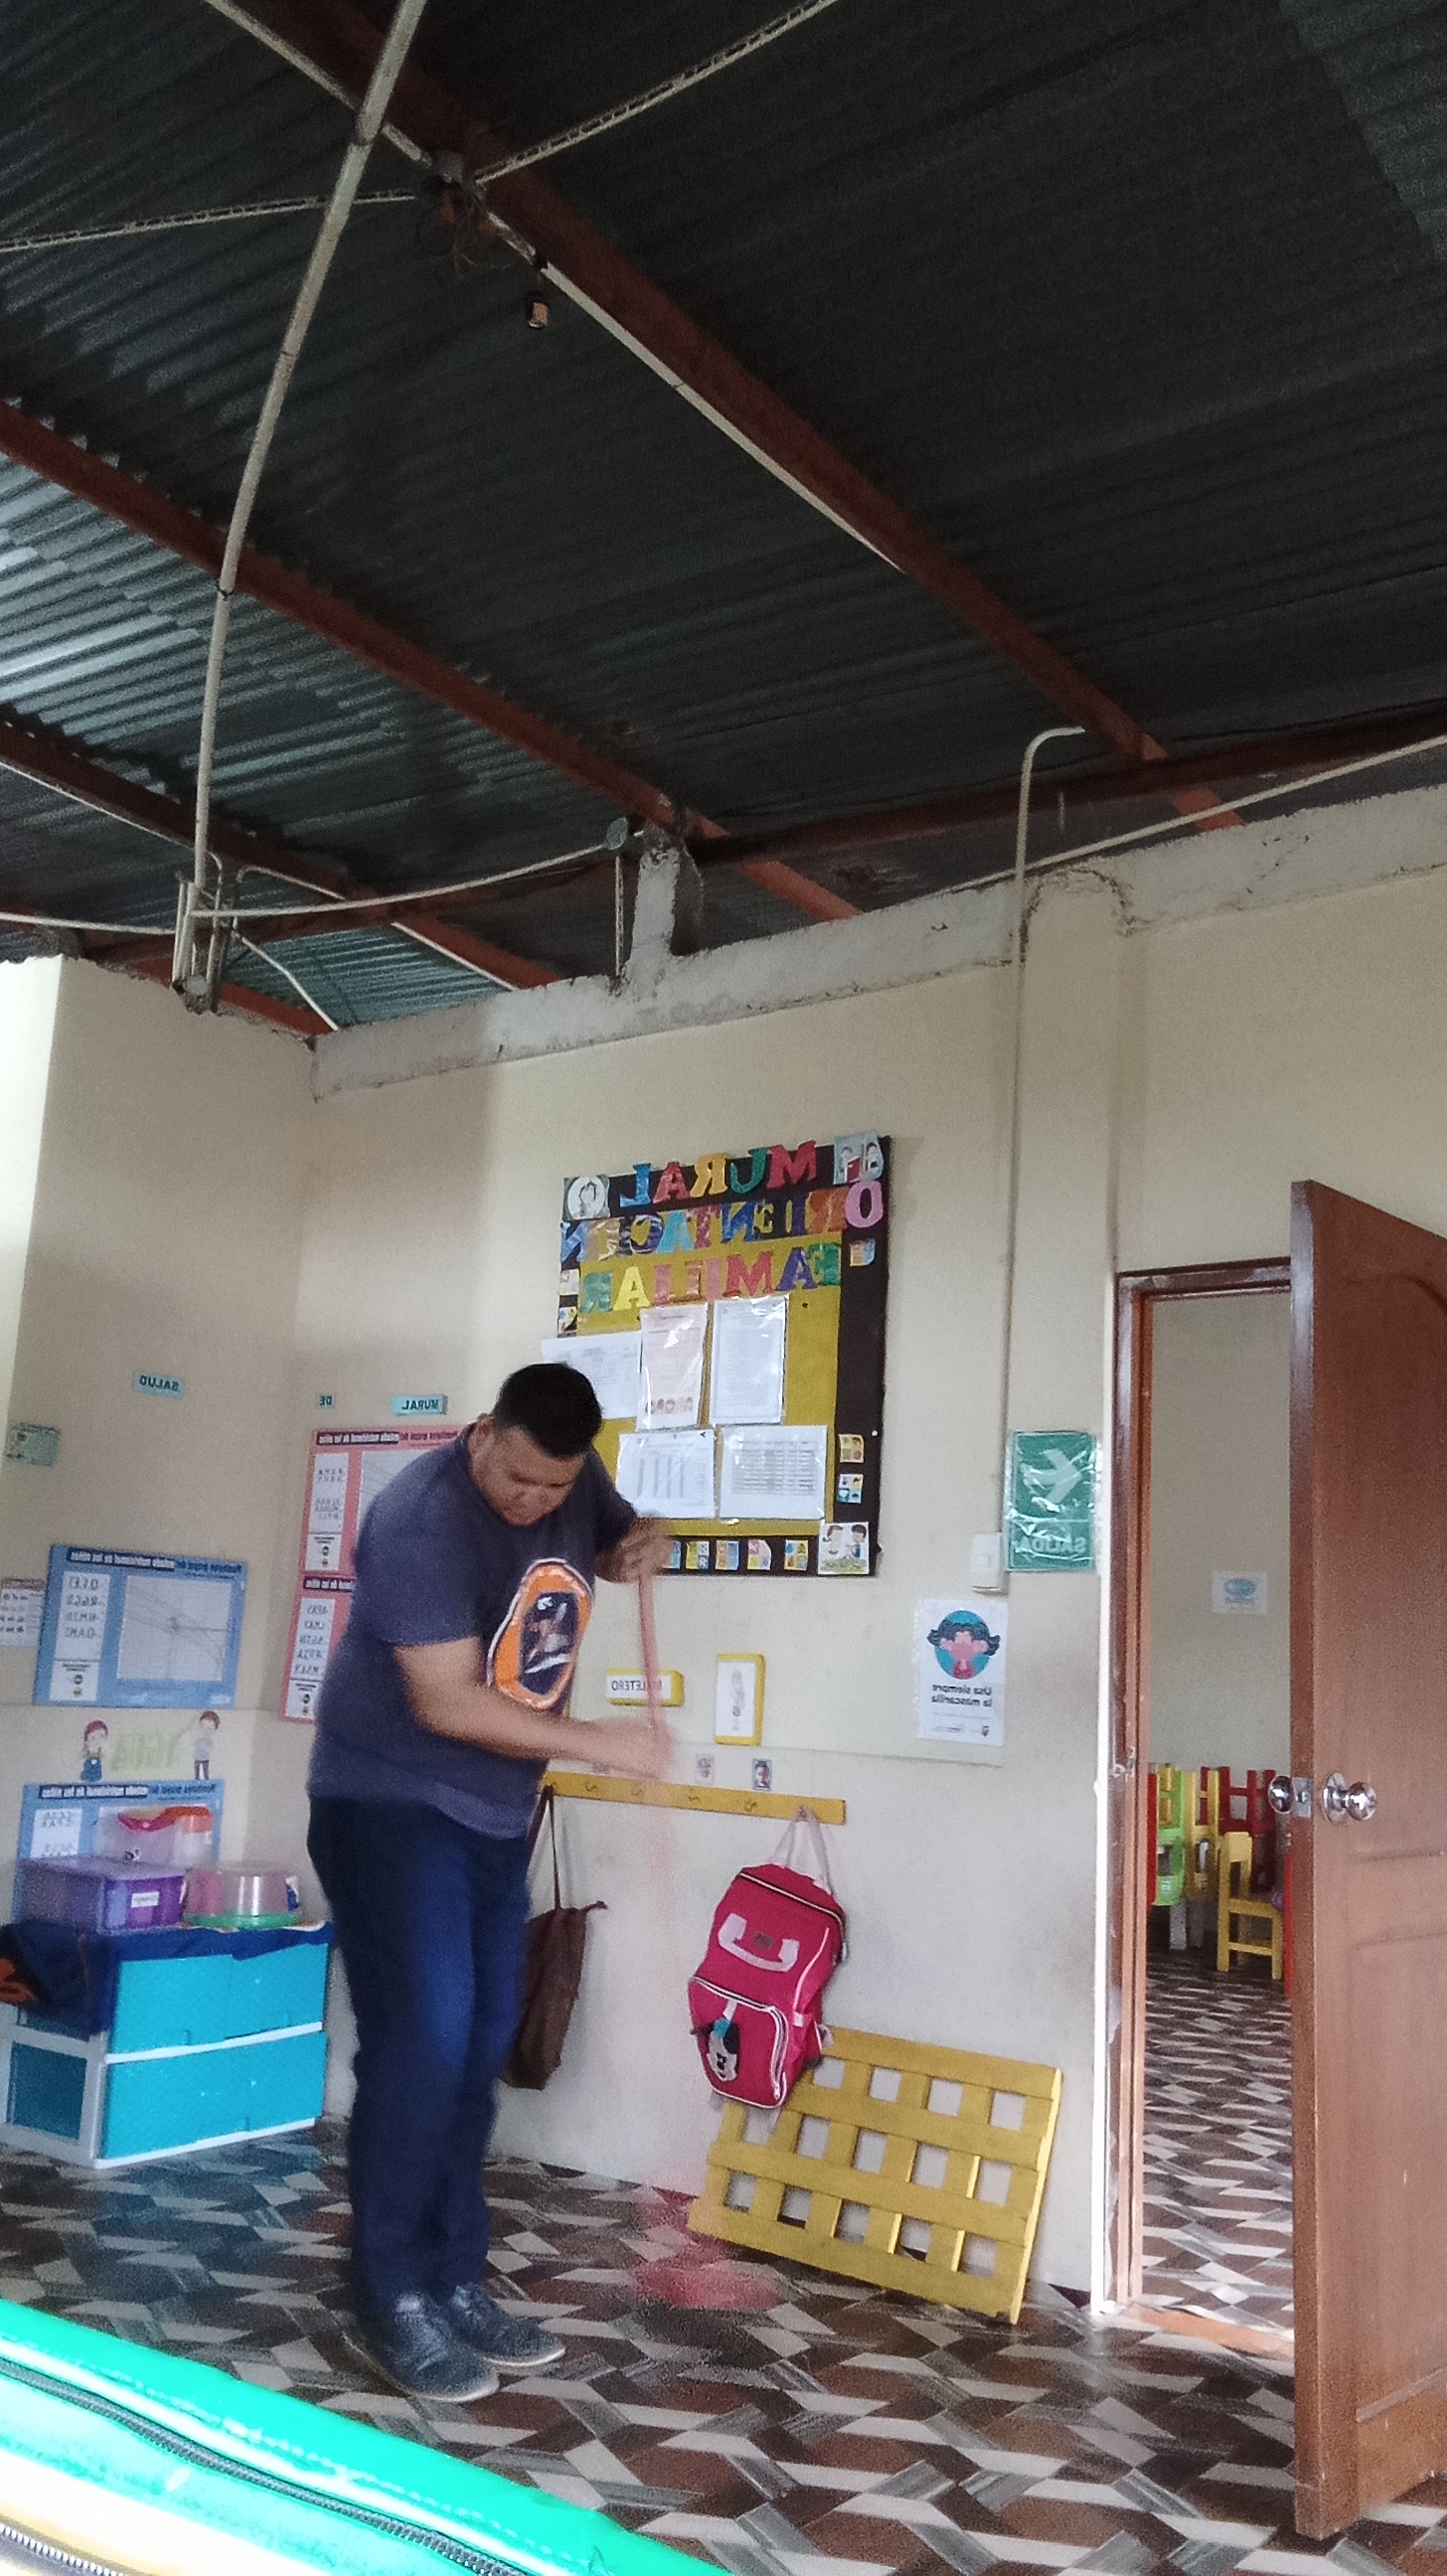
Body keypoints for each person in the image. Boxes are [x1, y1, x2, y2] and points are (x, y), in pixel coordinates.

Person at [307, 1363, 673, 2403]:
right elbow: (449, 1703)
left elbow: (619, 1536)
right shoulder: (416, 1520)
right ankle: (390, 2294)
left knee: (476, 2049)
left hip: (493, 1818)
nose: (534, 1502)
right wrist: (601, 1743)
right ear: (480, 1433)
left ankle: (453, 2277)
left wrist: (642, 1543)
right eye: (518, 1480)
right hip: (390, 1807)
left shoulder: (572, 1476)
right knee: (423, 2045)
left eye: (554, 1487)